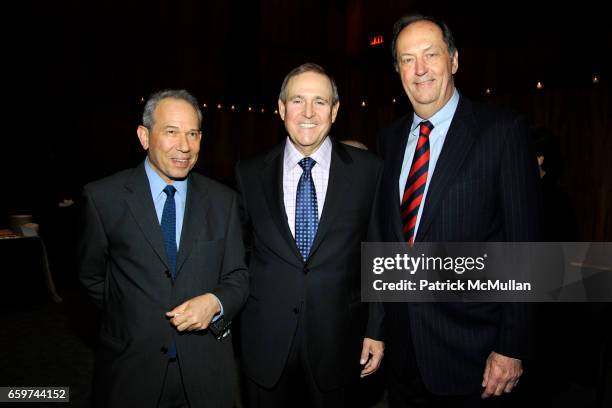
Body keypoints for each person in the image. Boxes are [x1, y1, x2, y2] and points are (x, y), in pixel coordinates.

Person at [377, 14, 539, 407]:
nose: (419, 70)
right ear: (397, 69)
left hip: (475, 356)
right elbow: (386, 243)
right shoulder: (388, 140)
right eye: (407, 59)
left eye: (430, 55)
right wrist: (377, 328)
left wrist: (511, 347)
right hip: (402, 356)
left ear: (453, 60)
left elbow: (525, 248)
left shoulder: (502, 131)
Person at [78, 89, 248, 408]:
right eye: (171, 132)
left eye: (193, 134)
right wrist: (134, 315)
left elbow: (238, 276)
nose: (184, 146)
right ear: (144, 136)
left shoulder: (223, 202)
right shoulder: (104, 198)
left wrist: (214, 302)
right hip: (131, 369)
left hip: (206, 371)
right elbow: (91, 277)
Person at [235, 63, 384, 408]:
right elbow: (241, 253)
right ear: (281, 108)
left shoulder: (369, 171)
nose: (308, 112)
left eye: (320, 102)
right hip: (265, 339)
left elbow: (378, 255)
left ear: (334, 111)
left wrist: (377, 329)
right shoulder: (249, 172)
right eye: (297, 100)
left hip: (340, 340)